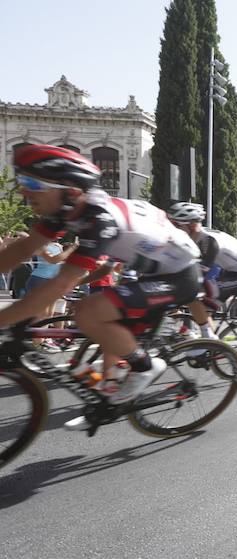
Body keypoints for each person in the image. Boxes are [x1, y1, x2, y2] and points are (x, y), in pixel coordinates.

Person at [2, 144, 201, 430]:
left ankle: (145, 366)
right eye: (22, 182)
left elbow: (62, 282)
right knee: (102, 326)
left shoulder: (99, 219)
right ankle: (107, 397)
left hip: (180, 275)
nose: (23, 191)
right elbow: (23, 248)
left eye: (32, 184)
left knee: (89, 311)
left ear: (69, 189)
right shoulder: (68, 211)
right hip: (153, 272)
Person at [165, 202, 237, 332]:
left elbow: (198, 275)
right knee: (202, 311)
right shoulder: (197, 237)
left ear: (191, 225)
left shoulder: (209, 241)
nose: (175, 231)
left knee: (193, 297)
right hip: (230, 273)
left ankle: (207, 341)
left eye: (177, 226)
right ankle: (215, 346)